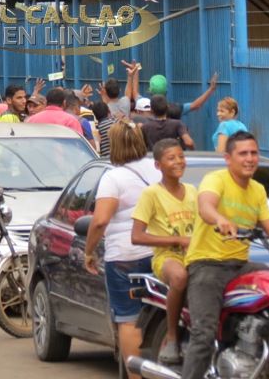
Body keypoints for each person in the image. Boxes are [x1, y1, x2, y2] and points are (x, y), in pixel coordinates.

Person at [180, 132, 269, 379]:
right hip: (207, 265)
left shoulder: (258, 189)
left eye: (254, 153)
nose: (250, 159)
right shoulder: (216, 179)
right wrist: (219, 219)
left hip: (241, 266)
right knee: (204, 335)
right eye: (243, 154)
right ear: (228, 158)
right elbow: (205, 205)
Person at [83, 121, 159, 373]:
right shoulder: (157, 169)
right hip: (160, 253)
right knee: (162, 315)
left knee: (129, 319)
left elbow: (100, 220)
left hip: (125, 257)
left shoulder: (112, 178)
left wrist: (89, 251)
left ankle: (135, 376)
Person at [131, 139, 197, 364]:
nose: (179, 162)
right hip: (167, 258)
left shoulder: (193, 191)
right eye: (171, 158)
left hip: (195, 256)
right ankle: (171, 335)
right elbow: (137, 235)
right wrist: (177, 239)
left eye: (181, 156)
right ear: (158, 165)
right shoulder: (151, 194)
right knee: (179, 277)